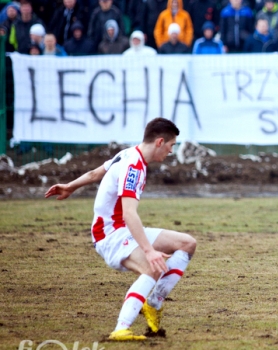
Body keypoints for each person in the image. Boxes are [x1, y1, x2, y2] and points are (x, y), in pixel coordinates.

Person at [44, 118, 196, 341]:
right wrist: (149, 251)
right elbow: (129, 213)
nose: (171, 151)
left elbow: (96, 174)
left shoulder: (127, 154)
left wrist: (70, 186)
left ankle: (153, 303)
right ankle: (121, 329)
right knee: (152, 268)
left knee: (187, 243)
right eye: (171, 146)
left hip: (122, 229)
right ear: (160, 141)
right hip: (110, 235)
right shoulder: (133, 166)